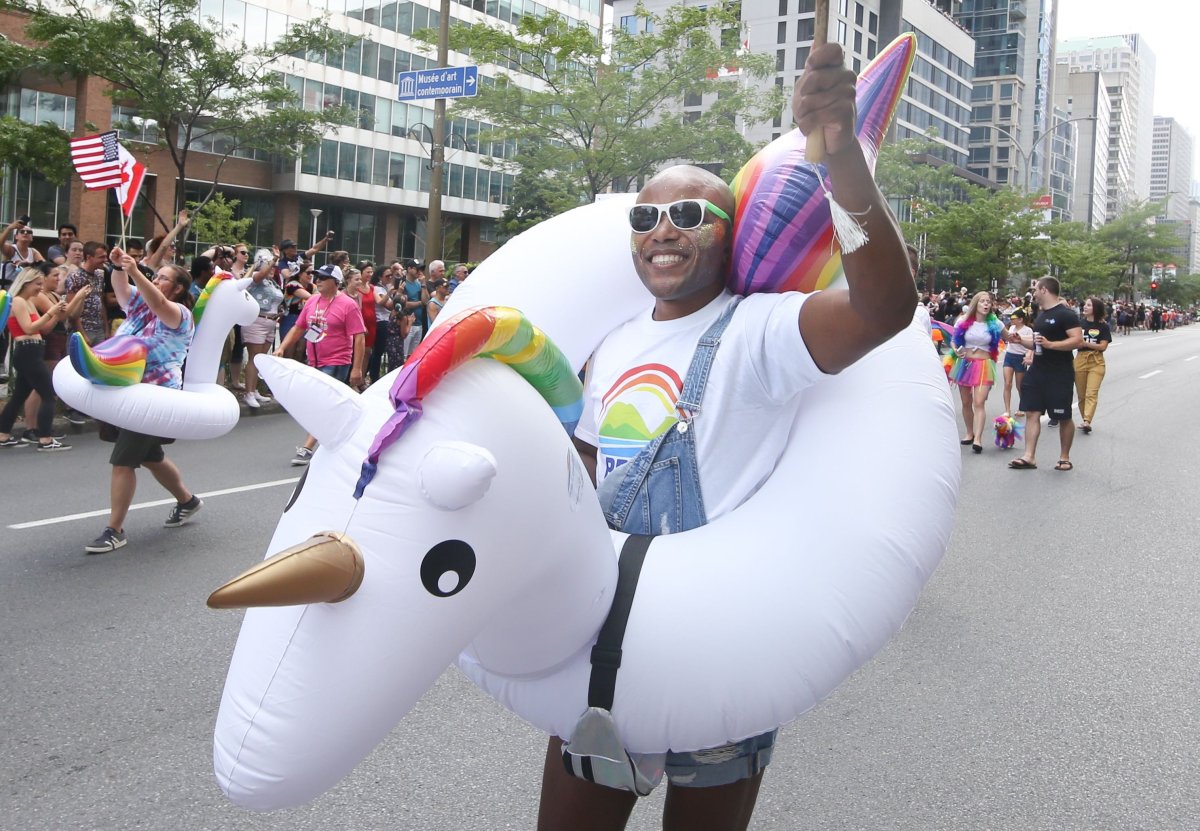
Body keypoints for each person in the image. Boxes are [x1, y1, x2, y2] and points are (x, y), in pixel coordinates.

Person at [545, 43, 915, 831]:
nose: (662, 230)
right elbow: (588, 465)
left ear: (728, 231)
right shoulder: (609, 340)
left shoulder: (760, 331)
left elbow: (883, 308)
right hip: (602, 650)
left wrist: (841, 160)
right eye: (645, 216)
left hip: (715, 652)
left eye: (688, 214)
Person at [84, 249, 204, 554]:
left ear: (177, 288)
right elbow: (122, 289)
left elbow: (159, 303)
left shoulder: (179, 313)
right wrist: (118, 266)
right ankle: (188, 501)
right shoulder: (139, 306)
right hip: (127, 392)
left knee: (123, 460)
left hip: (154, 398)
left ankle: (115, 530)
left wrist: (137, 270)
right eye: (158, 276)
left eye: (164, 278)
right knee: (150, 456)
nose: (158, 280)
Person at [274, 264, 366, 466]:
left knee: (323, 404)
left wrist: (357, 368)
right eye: (317, 277)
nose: (318, 281)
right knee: (321, 404)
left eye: (323, 277)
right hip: (313, 360)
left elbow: (359, 337)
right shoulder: (312, 300)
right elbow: (299, 328)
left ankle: (307, 447)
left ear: (336, 282)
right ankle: (346, 435)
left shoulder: (348, 305)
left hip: (337, 360)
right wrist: (282, 348)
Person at [1007, 276, 1083, 472]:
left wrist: (1051, 345)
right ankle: (1029, 456)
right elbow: (1039, 343)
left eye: (1035, 289)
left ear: (1044, 290)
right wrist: (1020, 341)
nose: (1033, 293)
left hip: (1060, 372)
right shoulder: (1040, 314)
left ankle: (1064, 457)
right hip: (1038, 370)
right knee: (1032, 411)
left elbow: (1077, 341)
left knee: (1063, 416)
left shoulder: (1066, 314)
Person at [0, 268, 75, 450]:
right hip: (27, 351)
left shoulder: (28, 302)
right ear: (26, 283)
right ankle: (45, 439)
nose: (40, 289)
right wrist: (51, 312)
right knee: (48, 394)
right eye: (37, 284)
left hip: (33, 350)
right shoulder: (17, 301)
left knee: (19, 396)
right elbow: (28, 328)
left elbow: (44, 328)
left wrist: (56, 313)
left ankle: (3, 435)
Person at [948, 291, 1002, 454]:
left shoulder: (995, 323)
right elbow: (953, 340)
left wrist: (1023, 341)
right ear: (976, 304)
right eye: (983, 301)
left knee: (979, 402)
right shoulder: (963, 321)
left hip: (984, 364)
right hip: (965, 363)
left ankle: (977, 438)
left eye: (988, 302)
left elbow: (1009, 337)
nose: (986, 304)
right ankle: (969, 432)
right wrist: (955, 350)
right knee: (966, 402)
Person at [241, 245, 285, 408]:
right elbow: (258, 277)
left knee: (261, 359)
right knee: (254, 357)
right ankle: (248, 393)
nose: (272, 269)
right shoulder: (255, 277)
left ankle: (254, 390)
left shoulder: (272, 282)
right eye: (269, 266)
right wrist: (273, 259)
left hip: (271, 322)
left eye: (273, 266)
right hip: (257, 322)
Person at [1074, 297, 1111, 435]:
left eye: (1089, 305)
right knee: (1081, 394)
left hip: (1096, 361)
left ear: (1095, 308)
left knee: (1091, 393)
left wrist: (1086, 344)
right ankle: (1085, 418)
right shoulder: (1079, 324)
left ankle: (1087, 420)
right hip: (1080, 360)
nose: (1085, 307)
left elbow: (1103, 346)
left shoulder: (1103, 326)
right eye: (1085, 304)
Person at [64, 241, 110, 347]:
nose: (105, 260)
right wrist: (82, 334)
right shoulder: (75, 277)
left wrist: (106, 329)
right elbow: (72, 310)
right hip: (83, 330)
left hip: (99, 330)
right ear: (89, 257)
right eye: (101, 257)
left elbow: (101, 302)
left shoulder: (99, 275)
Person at [1001, 308, 1032, 418]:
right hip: (1009, 355)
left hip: (1020, 358)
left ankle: (1022, 407)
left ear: (1020, 319)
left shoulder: (1028, 330)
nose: (1011, 320)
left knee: (1020, 386)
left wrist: (1028, 356)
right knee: (1007, 383)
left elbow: (1031, 346)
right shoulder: (1012, 327)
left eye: (1013, 318)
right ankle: (1007, 410)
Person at [399, 258, 429, 358]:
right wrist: (420, 303)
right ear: (409, 269)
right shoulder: (402, 282)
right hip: (407, 323)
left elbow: (426, 300)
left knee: (412, 356)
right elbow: (403, 304)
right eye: (417, 269)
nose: (419, 272)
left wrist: (424, 284)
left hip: (419, 323)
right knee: (403, 355)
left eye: (421, 269)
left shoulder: (419, 283)